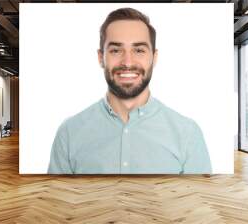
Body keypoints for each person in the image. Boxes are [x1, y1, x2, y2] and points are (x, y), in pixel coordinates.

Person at [48, 7, 212, 174]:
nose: (127, 62)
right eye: (116, 50)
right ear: (100, 58)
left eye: (139, 50)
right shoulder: (69, 133)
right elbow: (55, 199)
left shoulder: (188, 134)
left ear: (154, 58)